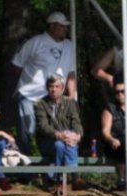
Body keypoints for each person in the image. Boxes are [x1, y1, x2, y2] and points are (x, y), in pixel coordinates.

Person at [12, 11, 77, 156]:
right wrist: (27, 83)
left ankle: (51, 172)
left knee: (51, 133)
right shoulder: (35, 42)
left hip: (53, 98)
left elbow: (71, 73)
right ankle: (24, 168)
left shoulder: (69, 46)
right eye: (63, 26)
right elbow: (17, 64)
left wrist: (72, 96)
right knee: (27, 130)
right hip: (29, 95)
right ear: (52, 26)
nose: (66, 29)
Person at [33, 74, 82, 187]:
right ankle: (74, 176)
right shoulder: (40, 104)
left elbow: (76, 122)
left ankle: (55, 177)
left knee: (67, 142)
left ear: (62, 87)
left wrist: (77, 136)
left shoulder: (70, 103)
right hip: (47, 141)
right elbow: (43, 126)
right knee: (60, 145)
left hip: (66, 140)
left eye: (57, 86)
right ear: (47, 88)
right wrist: (58, 134)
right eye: (51, 86)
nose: (53, 89)